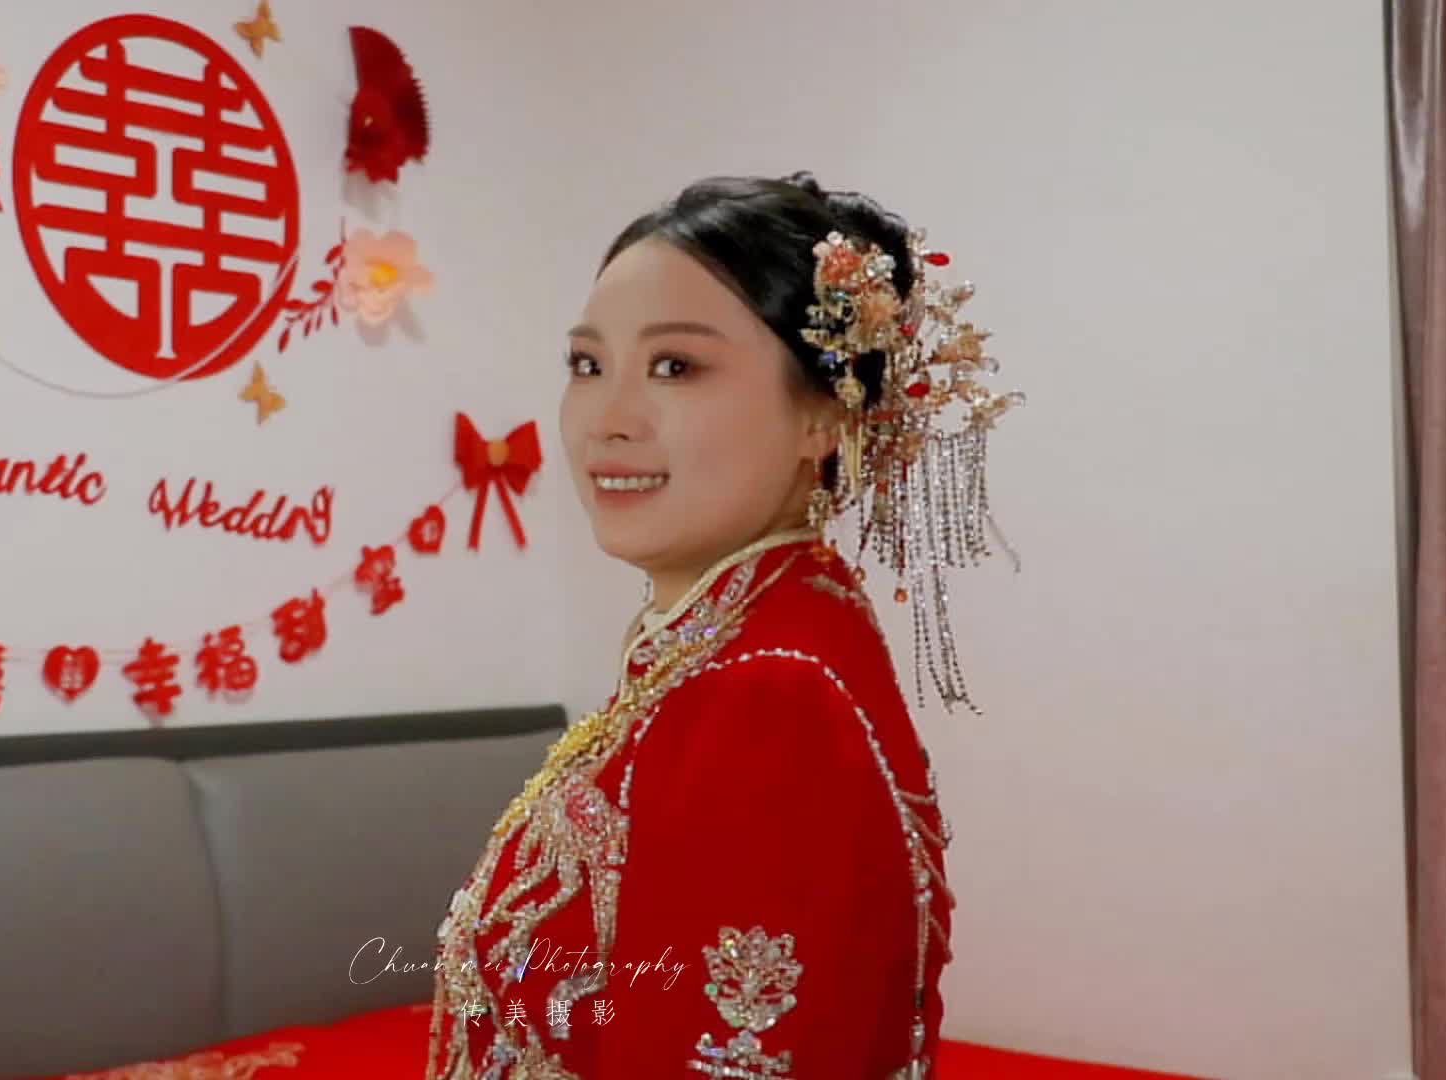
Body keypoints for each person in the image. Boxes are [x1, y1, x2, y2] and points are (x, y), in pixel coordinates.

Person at [425, 173, 1023, 1078]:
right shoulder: (752, 638)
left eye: (676, 366)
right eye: (587, 366)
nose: (607, 420)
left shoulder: (765, 694)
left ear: (822, 414)